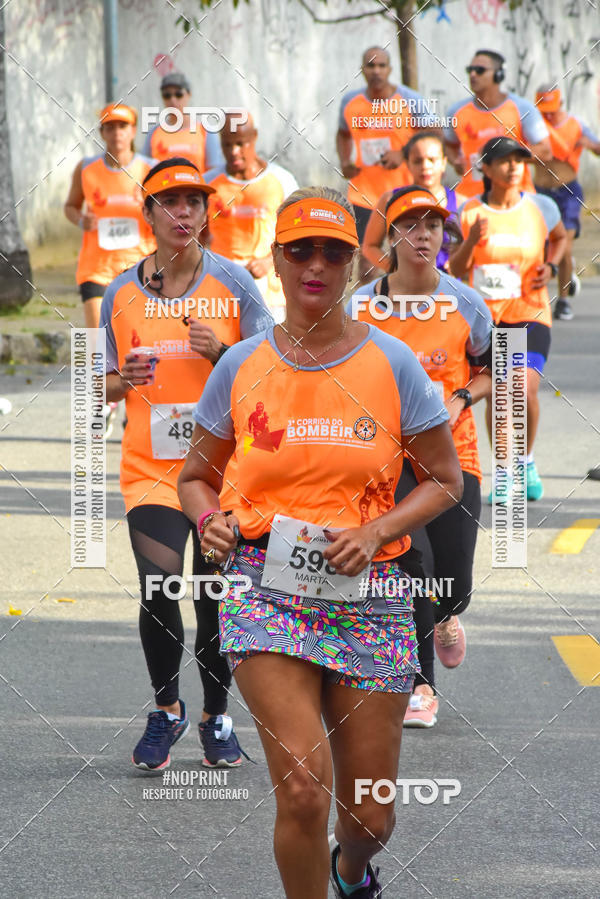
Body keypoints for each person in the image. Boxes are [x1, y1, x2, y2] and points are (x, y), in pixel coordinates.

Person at [178, 186, 463, 897]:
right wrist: (207, 516)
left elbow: (446, 479)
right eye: (299, 249)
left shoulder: (394, 365)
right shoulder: (240, 364)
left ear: (355, 265)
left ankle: (352, 868)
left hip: (374, 591)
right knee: (303, 787)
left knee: (370, 814)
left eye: (332, 251)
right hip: (261, 582)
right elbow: (194, 478)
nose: (315, 265)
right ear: (275, 259)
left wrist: (377, 529)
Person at [100, 157, 273, 771]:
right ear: (147, 214)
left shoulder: (236, 285)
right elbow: (101, 386)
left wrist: (223, 351)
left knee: (212, 596)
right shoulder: (119, 293)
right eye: (169, 203)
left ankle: (216, 718)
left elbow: (277, 372)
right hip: (150, 467)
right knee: (159, 587)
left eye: (193, 203)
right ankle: (166, 709)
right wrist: (124, 379)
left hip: (224, 471)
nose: (183, 214)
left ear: (206, 212)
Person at [353, 185, 493, 727]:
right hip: (390, 462)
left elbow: (492, 366)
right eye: (410, 224)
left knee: (453, 581)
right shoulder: (362, 306)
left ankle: (449, 616)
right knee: (416, 567)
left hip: (453, 460)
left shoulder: (466, 302)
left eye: (433, 225)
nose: (423, 234)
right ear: (390, 236)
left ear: (444, 235)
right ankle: (420, 684)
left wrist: (461, 396)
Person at [451, 137, 566, 503]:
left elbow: (560, 239)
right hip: (488, 320)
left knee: (523, 389)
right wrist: (470, 242)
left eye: (520, 160)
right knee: (500, 395)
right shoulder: (470, 211)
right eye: (505, 161)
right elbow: (455, 268)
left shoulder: (541, 207)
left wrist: (549, 266)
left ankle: (526, 461)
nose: (514, 167)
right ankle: (503, 472)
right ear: (485, 168)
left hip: (530, 312)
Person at [337, 46, 434, 279]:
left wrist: (403, 153)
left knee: (407, 256)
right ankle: (368, 312)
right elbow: (342, 134)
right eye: (371, 65)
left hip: (401, 193)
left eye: (381, 65)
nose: (376, 71)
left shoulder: (410, 100)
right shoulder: (351, 102)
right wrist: (344, 161)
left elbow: (434, 132)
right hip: (364, 195)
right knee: (366, 263)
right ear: (362, 70)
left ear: (390, 69)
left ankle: (408, 307)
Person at [64, 103, 156, 330]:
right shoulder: (86, 168)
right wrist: (81, 220)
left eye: (122, 126)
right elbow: (70, 206)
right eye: (110, 127)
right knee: (93, 341)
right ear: (102, 132)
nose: (117, 133)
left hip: (140, 268)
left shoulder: (150, 170)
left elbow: (166, 214)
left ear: (133, 130)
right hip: (96, 269)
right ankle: (87, 367)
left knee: (137, 340)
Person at [204, 112, 298, 322]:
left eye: (240, 143)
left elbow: (297, 235)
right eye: (227, 145)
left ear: (254, 138)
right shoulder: (208, 184)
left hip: (270, 295)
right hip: (222, 293)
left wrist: (269, 261)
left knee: (269, 352)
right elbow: (197, 238)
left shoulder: (282, 181)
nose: (233, 152)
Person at [445, 50, 552, 197]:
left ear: (498, 74)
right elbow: (449, 145)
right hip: (470, 199)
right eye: (470, 70)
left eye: (480, 70)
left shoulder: (522, 108)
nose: (473, 75)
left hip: (516, 197)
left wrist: (506, 155)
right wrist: (455, 161)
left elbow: (545, 151)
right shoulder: (456, 111)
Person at [534, 84, 600, 322]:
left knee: (565, 247)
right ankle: (537, 298)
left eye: (551, 109)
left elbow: (597, 147)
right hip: (540, 191)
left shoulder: (576, 125)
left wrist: (591, 145)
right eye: (544, 109)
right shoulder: (535, 124)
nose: (548, 115)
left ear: (561, 103)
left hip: (568, 192)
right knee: (540, 248)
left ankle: (562, 302)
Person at [362, 131, 466, 277]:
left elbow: (474, 249)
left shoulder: (463, 204)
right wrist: (396, 270)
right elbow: (369, 246)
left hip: (448, 289)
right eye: (418, 161)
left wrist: (459, 264)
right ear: (408, 165)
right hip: (405, 292)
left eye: (432, 159)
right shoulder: (390, 199)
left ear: (443, 163)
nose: (425, 166)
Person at [142, 72, 224, 174]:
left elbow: (215, 173)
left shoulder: (206, 131)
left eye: (178, 94)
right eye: (167, 95)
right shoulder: (154, 133)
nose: (173, 100)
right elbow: (144, 170)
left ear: (188, 95)